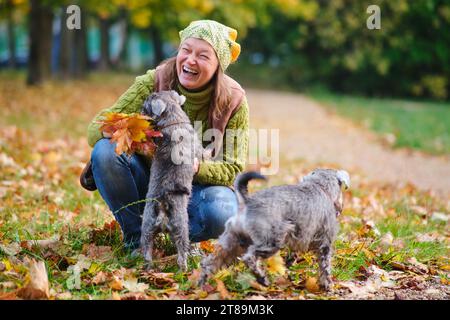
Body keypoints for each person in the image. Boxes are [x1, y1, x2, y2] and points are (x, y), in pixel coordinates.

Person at [81, 20, 249, 251]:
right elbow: (96, 128)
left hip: (193, 190)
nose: (190, 60)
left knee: (222, 212)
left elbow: (232, 167)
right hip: (148, 181)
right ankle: (137, 240)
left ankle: (177, 238)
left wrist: (197, 166)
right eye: (186, 50)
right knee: (105, 151)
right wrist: (144, 140)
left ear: (218, 65)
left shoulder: (234, 100)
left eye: (203, 55)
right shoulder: (156, 80)